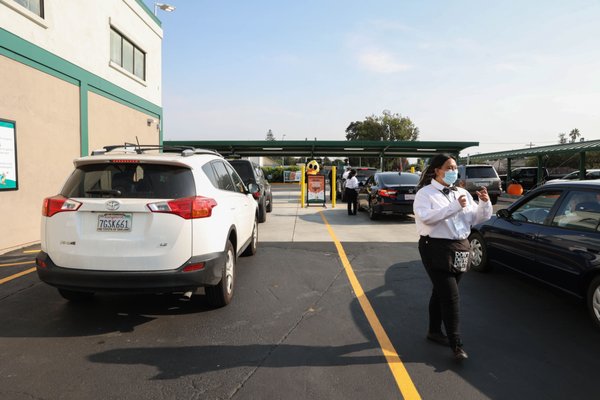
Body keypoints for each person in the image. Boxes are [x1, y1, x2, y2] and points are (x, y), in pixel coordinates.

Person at [413, 154, 493, 360]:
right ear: (437, 170)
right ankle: (456, 344)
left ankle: (433, 331)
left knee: (440, 292)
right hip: (435, 247)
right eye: (449, 167)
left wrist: (484, 203)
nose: (453, 171)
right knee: (451, 296)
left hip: (461, 247)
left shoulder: (462, 192)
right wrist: (454, 206)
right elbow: (427, 219)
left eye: (455, 167)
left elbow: (477, 218)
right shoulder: (425, 194)